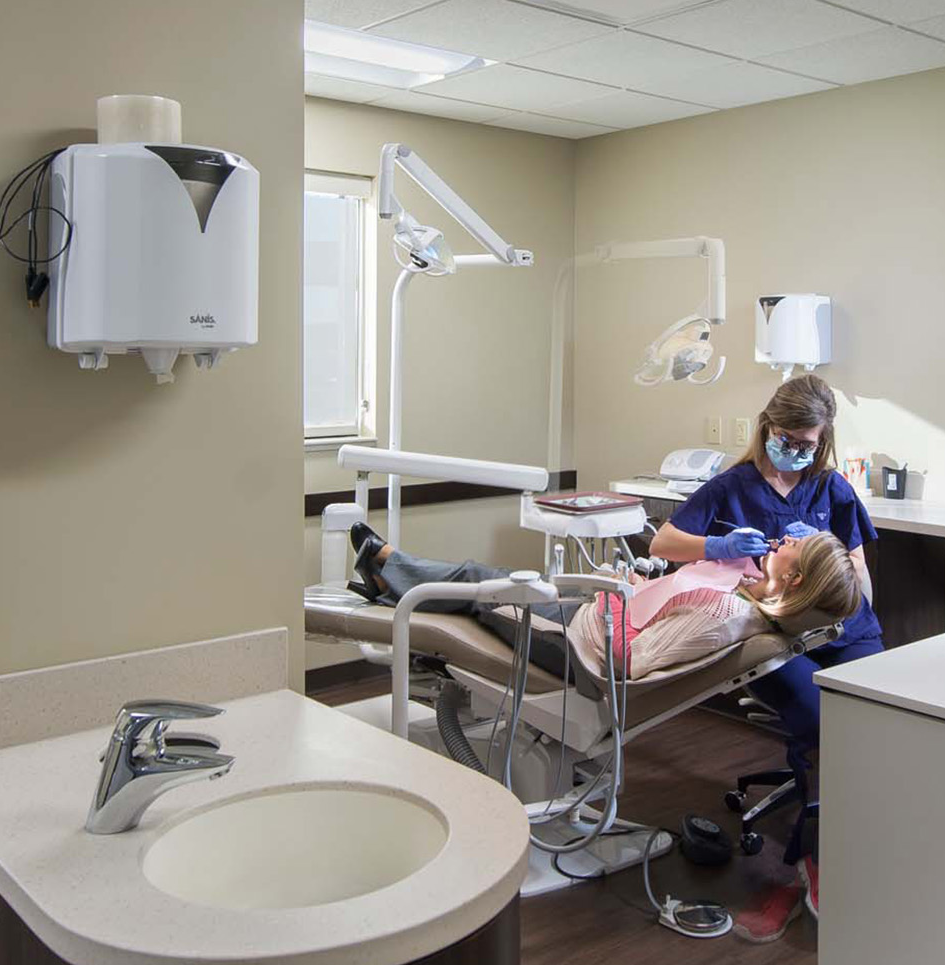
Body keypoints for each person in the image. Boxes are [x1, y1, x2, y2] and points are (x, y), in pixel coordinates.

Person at [647, 372, 885, 927]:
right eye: (788, 439)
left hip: (846, 629)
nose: (797, 451)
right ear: (767, 428)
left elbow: (860, 574)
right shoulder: (732, 487)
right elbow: (663, 542)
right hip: (774, 638)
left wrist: (824, 561)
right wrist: (717, 544)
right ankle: (817, 855)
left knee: (878, 718)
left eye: (809, 444)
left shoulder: (831, 490)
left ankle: (878, 844)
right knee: (823, 721)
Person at [348, 525, 863, 686]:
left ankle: (387, 570)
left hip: (580, 649)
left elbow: (632, 662)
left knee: (481, 588)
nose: (782, 541)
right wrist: (628, 586)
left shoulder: (724, 615)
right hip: (590, 620)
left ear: (793, 576)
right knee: (490, 578)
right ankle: (389, 572)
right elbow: (658, 616)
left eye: (794, 545)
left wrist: (613, 599)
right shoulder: (745, 591)